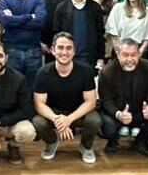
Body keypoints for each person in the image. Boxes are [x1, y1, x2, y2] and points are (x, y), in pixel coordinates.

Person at [32, 33, 100, 164]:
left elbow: (91, 102)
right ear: (53, 50)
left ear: (74, 51)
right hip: (54, 113)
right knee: (38, 121)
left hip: (78, 113)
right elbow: (39, 104)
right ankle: (52, 142)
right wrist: (57, 120)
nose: (64, 52)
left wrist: (69, 119)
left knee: (94, 120)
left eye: (69, 48)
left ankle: (86, 146)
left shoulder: (86, 71)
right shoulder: (43, 73)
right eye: (60, 47)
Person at [97, 39, 148, 157]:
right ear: (118, 54)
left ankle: (141, 141)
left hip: (140, 112)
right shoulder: (106, 72)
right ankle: (113, 139)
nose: (130, 59)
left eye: (133, 55)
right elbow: (106, 100)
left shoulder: (147, 66)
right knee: (106, 123)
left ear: (139, 54)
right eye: (125, 55)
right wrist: (119, 115)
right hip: (117, 114)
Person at [0, 0, 46, 85]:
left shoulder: (38, 0)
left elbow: (40, 21)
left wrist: (14, 19)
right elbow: (5, 22)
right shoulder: (4, 0)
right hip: (11, 51)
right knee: (12, 88)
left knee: (33, 88)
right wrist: (30, 16)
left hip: (33, 51)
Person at [51, 0, 105, 69]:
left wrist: (101, 58)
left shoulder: (95, 7)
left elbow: (100, 34)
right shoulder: (61, 7)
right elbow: (56, 33)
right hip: (66, 58)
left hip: (89, 59)